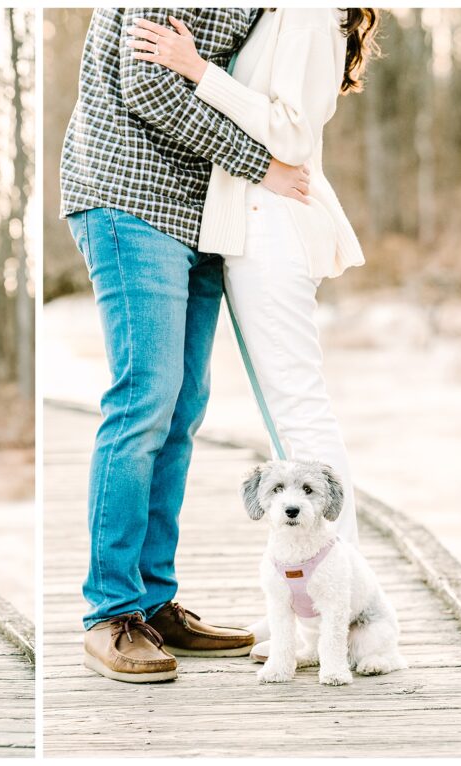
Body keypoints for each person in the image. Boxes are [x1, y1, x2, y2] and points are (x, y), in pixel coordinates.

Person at [59, 8, 312, 684]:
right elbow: (147, 86)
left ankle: (152, 599)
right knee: (145, 398)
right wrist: (259, 162)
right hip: (130, 197)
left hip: (201, 206)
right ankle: (110, 612)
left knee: (181, 407)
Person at [126, 8, 379, 659]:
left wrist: (197, 70)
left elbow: (291, 135)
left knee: (300, 409)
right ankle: (315, 604)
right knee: (288, 420)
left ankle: (348, 615)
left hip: (274, 225)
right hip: (255, 224)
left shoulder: (308, 12)